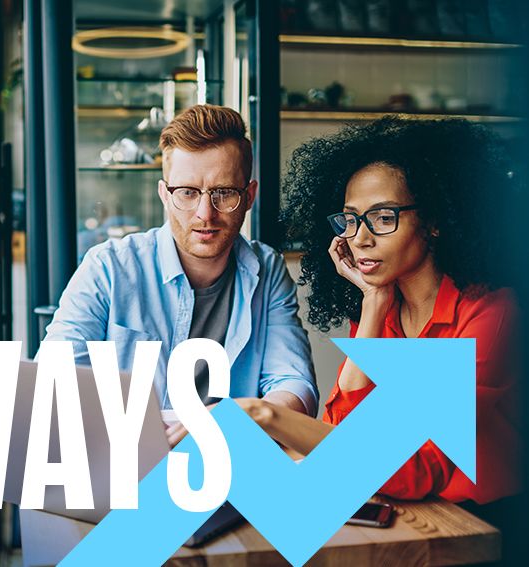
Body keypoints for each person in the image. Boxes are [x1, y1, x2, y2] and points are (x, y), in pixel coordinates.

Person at [238, 117, 522, 510]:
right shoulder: (383, 314)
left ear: (435, 221)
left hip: (482, 525)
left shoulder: (493, 317)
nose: (360, 238)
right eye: (351, 219)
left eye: (384, 217)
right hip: (409, 514)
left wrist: (264, 414)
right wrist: (372, 305)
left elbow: (415, 469)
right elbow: (341, 437)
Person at [43, 104, 318, 443]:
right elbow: (53, 384)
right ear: (164, 195)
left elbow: (295, 385)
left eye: (224, 193)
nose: (206, 214)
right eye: (187, 193)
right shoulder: (109, 267)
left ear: (248, 197)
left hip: (232, 473)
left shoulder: (268, 269)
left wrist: (242, 417)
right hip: (130, 477)